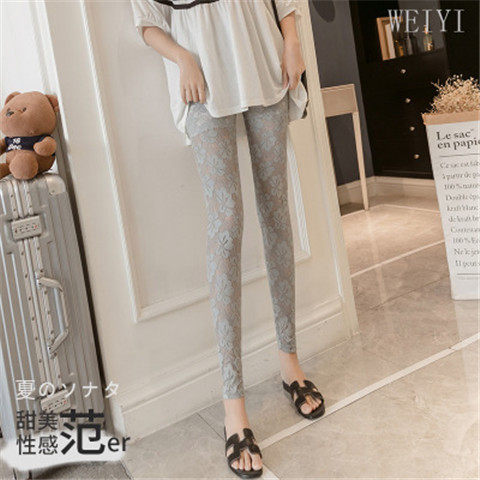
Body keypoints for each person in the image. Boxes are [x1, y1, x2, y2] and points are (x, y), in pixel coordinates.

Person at [130, 1, 325, 477]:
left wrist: (292, 42)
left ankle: (290, 363)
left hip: (264, 58)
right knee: (227, 224)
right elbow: (147, 22)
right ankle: (233, 406)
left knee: (276, 211)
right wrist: (182, 57)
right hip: (200, 76)